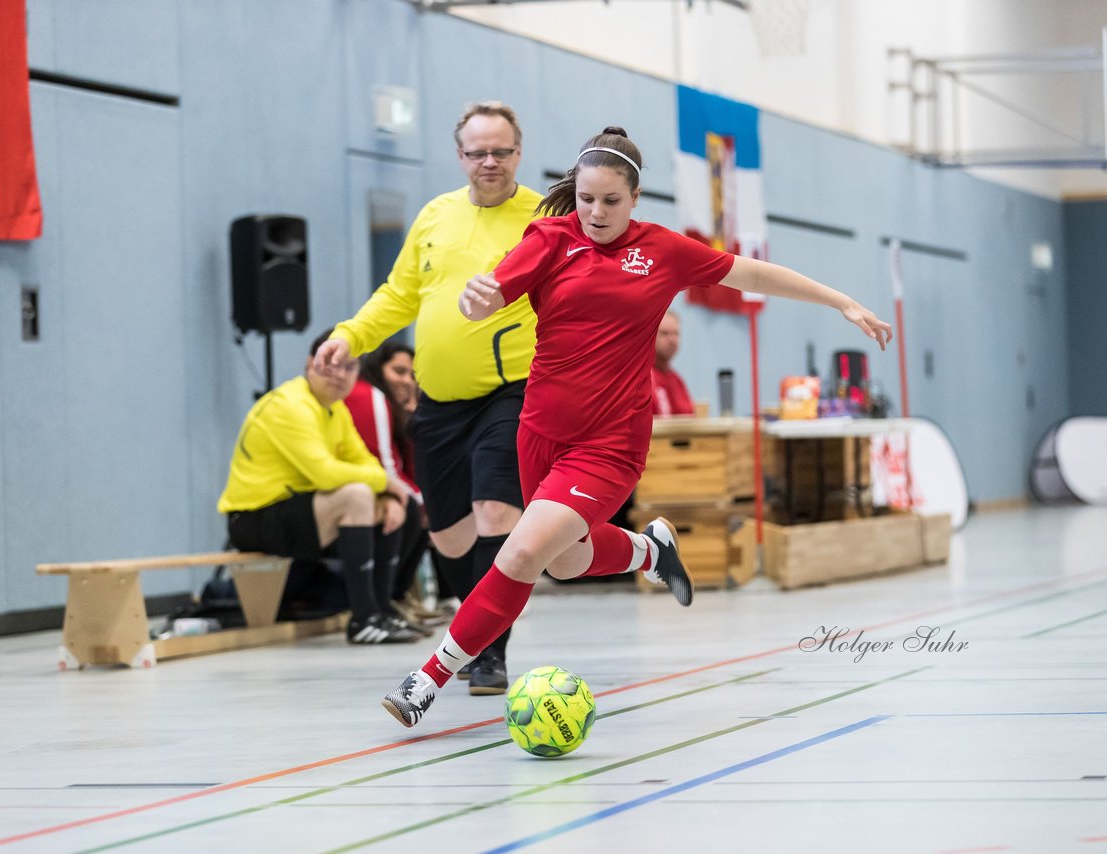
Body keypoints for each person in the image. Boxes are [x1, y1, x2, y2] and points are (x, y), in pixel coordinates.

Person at [380, 126, 892, 727]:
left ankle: (425, 680)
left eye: (611, 201)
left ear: (636, 197)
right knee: (562, 563)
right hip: (539, 432)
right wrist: (475, 300)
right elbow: (491, 295)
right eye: (588, 199)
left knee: (519, 551)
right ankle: (651, 550)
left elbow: (750, 274)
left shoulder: (663, 251)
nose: (596, 213)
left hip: (609, 443)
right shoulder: (549, 236)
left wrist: (840, 301)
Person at [314, 102, 543, 694]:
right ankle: (478, 625)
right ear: (460, 155)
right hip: (440, 399)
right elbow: (398, 295)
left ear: (519, 153)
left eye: (501, 151)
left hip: (513, 391)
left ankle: (489, 651)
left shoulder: (547, 218)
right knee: (450, 537)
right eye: (478, 152)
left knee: (497, 514)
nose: (489, 162)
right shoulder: (436, 216)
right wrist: (348, 336)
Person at [218, 330, 422, 644]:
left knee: (397, 504)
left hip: (298, 511)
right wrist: (386, 484)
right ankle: (364, 619)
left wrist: (388, 493)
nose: (341, 374)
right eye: (331, 363)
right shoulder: (290, 405)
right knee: (357, 495)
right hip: (253, 518)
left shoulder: (335, 409)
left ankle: (383, 610)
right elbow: (325, 474)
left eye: (350, 366)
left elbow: (366, 461)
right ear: (310, 363)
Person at [344, 343, 445, 625]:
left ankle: (394, 600)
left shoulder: (392, 405)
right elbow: (384, 464)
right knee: (415, 509)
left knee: (422, 506)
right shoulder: (370, 397)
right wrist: (419, 500)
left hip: (369, 484)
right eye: (398, 371)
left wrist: (414, 420)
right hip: (359, 488)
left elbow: (412, 468)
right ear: (378, 368)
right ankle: (384, 603)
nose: (406, 381)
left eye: (412, 375)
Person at [651, 309, 695, 416]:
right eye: (664, 333)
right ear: (651, 337)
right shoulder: (643, 378)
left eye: (676, 334)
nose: (672, 340)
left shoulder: (677, 380)